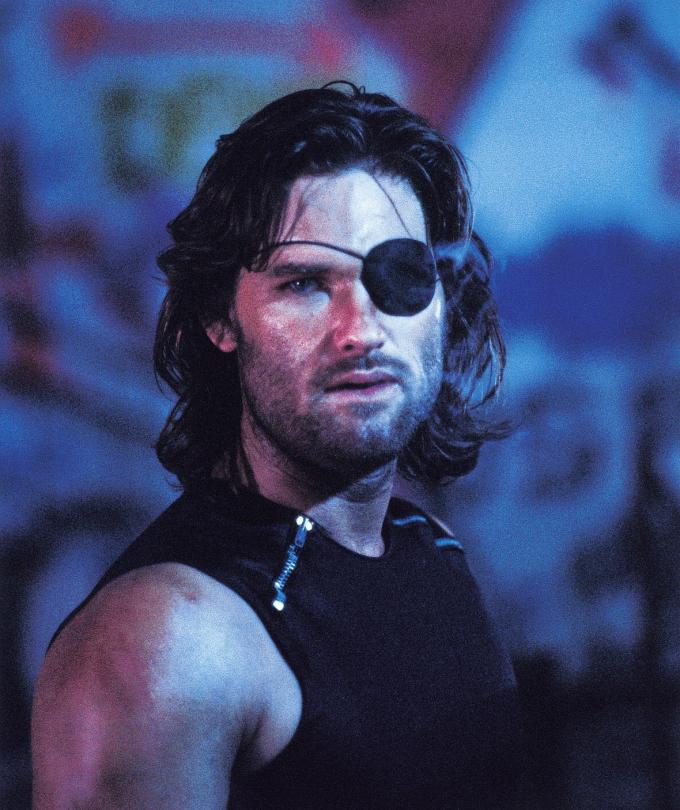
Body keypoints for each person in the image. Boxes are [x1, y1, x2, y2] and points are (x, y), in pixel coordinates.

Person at [32, 83, 521, 809]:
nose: (361, 330)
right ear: (219, 318)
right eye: (305, 284)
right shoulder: (163, 640)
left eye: (400, 275)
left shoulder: (431, 550)